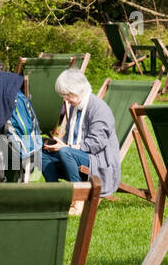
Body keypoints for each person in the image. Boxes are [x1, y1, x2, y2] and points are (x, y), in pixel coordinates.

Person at [40, 68, 118, 208]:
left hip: (97, 160)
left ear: (79, 89)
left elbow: (95, 144)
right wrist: (57, 144)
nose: (65, 99)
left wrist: (65, 147)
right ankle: (57, 195)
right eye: (63, 95)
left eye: (67, 94)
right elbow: (70, 137)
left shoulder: (99, 109)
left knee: (65, 152)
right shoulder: (75, 107)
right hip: (76, 154)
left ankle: (78, 198)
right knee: (41, 152)